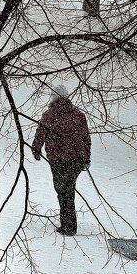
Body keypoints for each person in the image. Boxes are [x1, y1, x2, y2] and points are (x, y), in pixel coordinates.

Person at [31, 84, 91, 236]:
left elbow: (40, 133)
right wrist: (86, 156)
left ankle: (68, 226)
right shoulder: (78, 115)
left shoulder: (50, 115)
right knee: (68, 189)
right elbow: (86, 138)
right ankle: (68, 223)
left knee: (62, 190)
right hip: (76, 158)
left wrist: (36, 148)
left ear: (54, 97)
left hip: (58, 158)